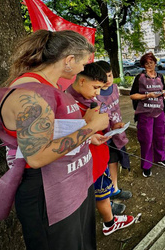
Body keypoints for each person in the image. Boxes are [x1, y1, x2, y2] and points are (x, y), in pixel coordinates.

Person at [0, 30, 109, 250]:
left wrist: (87, 136)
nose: (84, 69)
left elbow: (54, 133)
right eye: (83, 62)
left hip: (72, 187)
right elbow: (36, 156)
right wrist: (91, 126)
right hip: (50, 197)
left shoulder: (52, 87)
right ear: (69, 60)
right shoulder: (30, 95)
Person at [67, 63, 135, 236]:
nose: (98, 93)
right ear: (82, 81)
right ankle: (109, 222)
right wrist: (89, 130)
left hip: (99, 155)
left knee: (102, 190)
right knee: (96, 192)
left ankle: (109, 214)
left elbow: (105, 118)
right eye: (96, 87)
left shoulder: (92, 100)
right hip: (84, 161)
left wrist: (113, 125)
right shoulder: (67, 104)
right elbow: (68, 136)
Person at [130, 53, 165, 177]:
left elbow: (162, 90)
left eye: (151, 62)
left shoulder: (160, 77)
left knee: (160, 136)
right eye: (146, 63)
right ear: (143, 65)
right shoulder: (140, 78)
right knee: (146, 139)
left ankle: (161, 157)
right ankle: (146, 164)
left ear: (155, 63)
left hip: (159, 112)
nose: (149, 65)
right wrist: (147, 95)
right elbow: (132, 95)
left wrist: (164, 93)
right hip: (145, 113)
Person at [95, 61, 131, 197]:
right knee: (104, 164)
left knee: (114, 161)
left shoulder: (115, 88)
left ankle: (115, 189)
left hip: (117, 133)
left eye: (109, 76)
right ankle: (106, 195)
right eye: (103, 78)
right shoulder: (95, 93)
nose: (107, 80)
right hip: (103, 136)